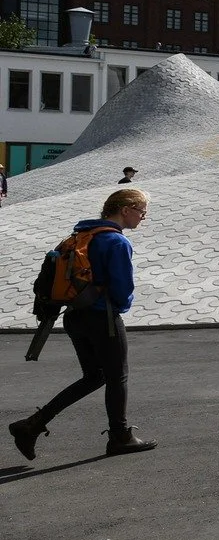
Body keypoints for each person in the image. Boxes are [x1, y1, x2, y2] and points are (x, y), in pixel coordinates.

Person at [9, 188, 156, 461]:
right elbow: (122, 288)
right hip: (103, 318)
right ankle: (120, 437)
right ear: (125, 209)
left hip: (75, 316)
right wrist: (121, 307)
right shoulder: (117, 242)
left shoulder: (80, 235)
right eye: (142, 212)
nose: (143, 217)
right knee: (117, 377)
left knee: (95, 376)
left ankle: (31, 425)